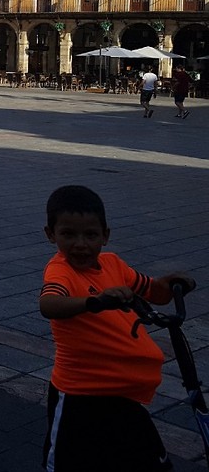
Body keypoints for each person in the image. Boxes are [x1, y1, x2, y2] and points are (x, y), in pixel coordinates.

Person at [39, 184, 195, 471]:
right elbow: (49, 304)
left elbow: (153, 291)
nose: (81, 244)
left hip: (123, 393)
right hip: (80, 395)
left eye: (90, 234)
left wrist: (173, 284)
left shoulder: (113, 264)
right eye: (68, 234)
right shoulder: (61, 270)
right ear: (51, 235)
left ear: (105, 236)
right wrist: (93, 301)